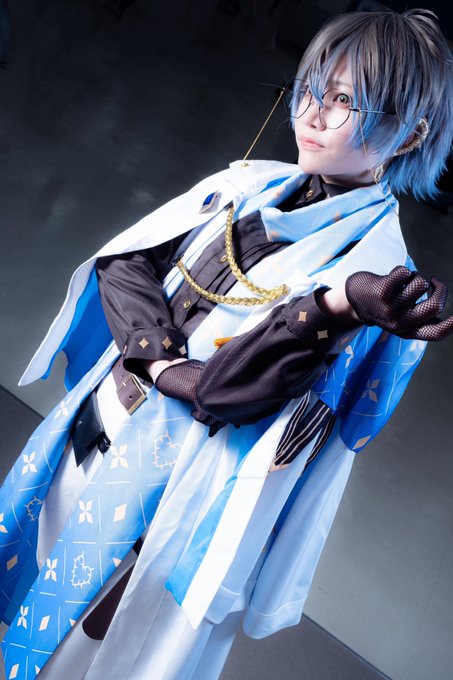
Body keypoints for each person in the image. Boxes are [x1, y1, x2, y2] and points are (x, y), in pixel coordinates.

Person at [1, 8, 453, 680]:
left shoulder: (377, 279)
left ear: (411, 132)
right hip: (87, 438)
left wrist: (335, 305)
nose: (312, 114)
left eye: (344, 100)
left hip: (165, 500)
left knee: (73, 661)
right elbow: (123, 263)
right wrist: (163, 363)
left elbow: (228, 393)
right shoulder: (242, 185)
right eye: (309, 88)